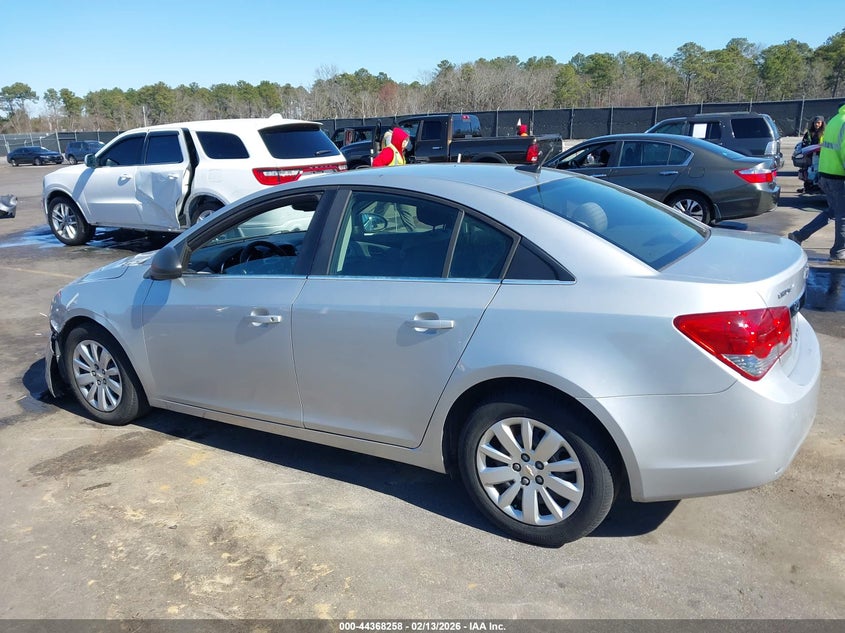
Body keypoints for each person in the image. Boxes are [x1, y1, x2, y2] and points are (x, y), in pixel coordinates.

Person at [789, 103, 845, 264]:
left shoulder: (836, 119)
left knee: (833, 212)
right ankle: (839, 252)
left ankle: (799, 235)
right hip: (838, 177)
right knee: (843, 216)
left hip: (826, 174)